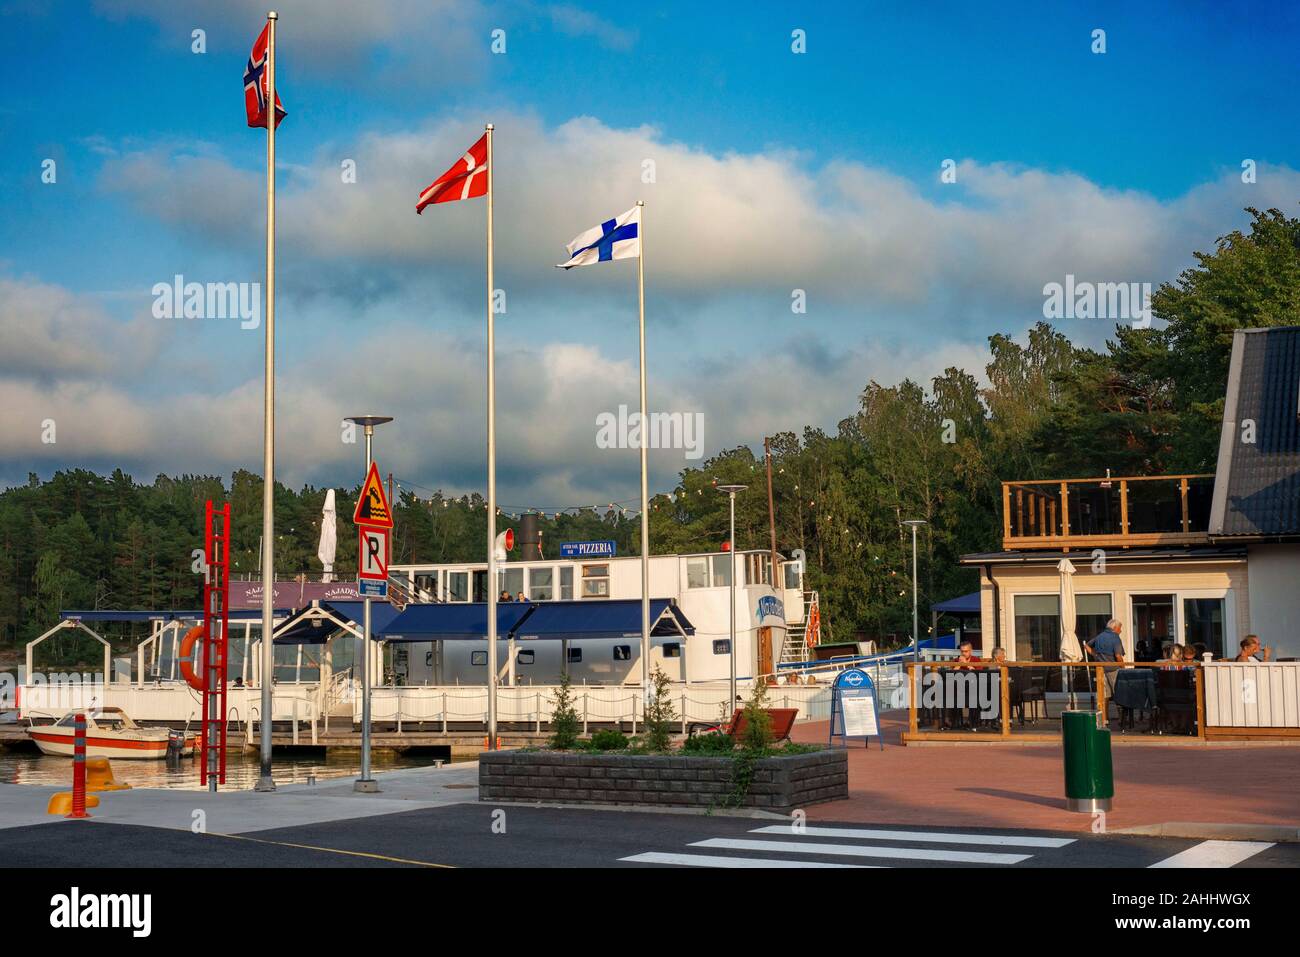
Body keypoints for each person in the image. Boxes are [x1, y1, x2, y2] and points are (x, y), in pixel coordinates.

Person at [1086, 619, 1125, 703]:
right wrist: (1123, 667)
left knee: (1104, 697)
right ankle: (1121, 715)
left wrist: (1095, 655)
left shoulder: (1100, 636)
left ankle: (1104, 716)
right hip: (1113, 670)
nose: (1121, 631)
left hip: (1101, 670)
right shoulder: (1115, 638)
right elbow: (1118, 656)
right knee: (1119, 694)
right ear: (1114, 628)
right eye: (1120, 628)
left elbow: (1086, 646)